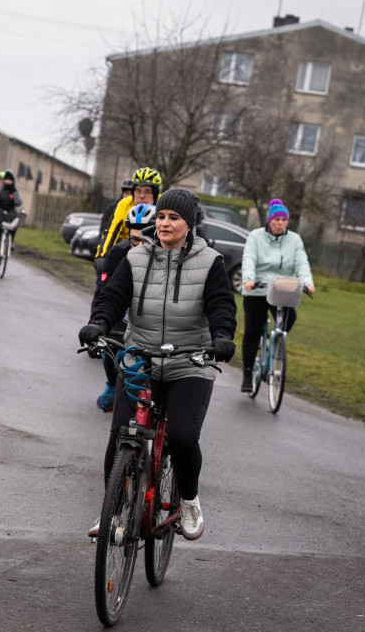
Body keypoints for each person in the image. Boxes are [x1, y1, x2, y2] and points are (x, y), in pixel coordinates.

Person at [78, 189, 237, 540]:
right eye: (161, 216)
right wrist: (99, 324)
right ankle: (112, 510)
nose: (165, 223)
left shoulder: (210, 261)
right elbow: (113, 298)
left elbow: (221, 305)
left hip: (190, 360)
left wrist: (223, 335)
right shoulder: (135, 257)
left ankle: (190, 501)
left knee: (181, 436)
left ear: (189, 224)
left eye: (174, 218)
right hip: (141, 356)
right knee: (121, 432)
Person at [89, 167, 161, 410]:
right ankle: (111, 384)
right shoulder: (122, 242)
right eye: (137, 191)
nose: (141, 195)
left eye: (146, 192)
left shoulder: (164, 237)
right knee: (112, 341)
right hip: (123, 285)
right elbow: (111, 233)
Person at [239, 198, 315, 392]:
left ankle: (276, 345)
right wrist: (248, 279)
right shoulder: (255, 236)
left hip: (282, 288)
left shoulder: (294, 240)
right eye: (277, 219)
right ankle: (248, 373)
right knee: (253, 330)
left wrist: (307, 282)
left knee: (291, 318)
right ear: (269, 220)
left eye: (284, 220)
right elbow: (249, 258)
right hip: (257, 287)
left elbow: (302, 263)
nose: (280, 223)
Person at [0, 171, 23, 267]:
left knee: (15, 227)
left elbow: (19, 203)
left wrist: (15, 197)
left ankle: (11, 242)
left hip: (11, 215)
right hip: (0, 215)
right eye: (7, 179)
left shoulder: (15, 191)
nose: (8, 182)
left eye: (10, 180)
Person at [99, 179, 135, 243]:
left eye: (131, 194)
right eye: (126, 193)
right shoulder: (112, 208)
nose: (129, 196)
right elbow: (104, 229)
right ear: (123, 193)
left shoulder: (138, 208)